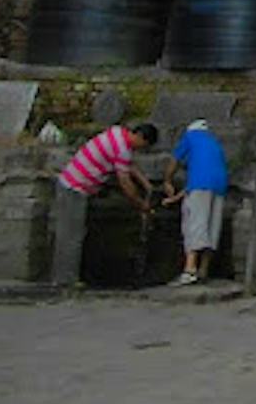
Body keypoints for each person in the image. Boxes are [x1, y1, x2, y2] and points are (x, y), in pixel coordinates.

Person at [51, 120, 158, 286]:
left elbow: (128, 164)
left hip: (72, 183)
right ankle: (65, 280)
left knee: (73, 232)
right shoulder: (122, 149)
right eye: (143, 145)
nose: (141, 149)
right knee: (71, 235)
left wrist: (145, 183)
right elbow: (125, 184)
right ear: (140, 137)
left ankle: (65, 277)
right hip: (75, 187)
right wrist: (141, 205)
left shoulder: (117, 134)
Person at [164, 119, 229, 286]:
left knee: (195, 223)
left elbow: (174, 160)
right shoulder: (213, 142)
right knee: (211, 226)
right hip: (220, 186)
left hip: (201, 185)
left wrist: (168, 180)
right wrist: (176, 197)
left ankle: (189, 270)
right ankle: (203, 270)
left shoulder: (190, 137)